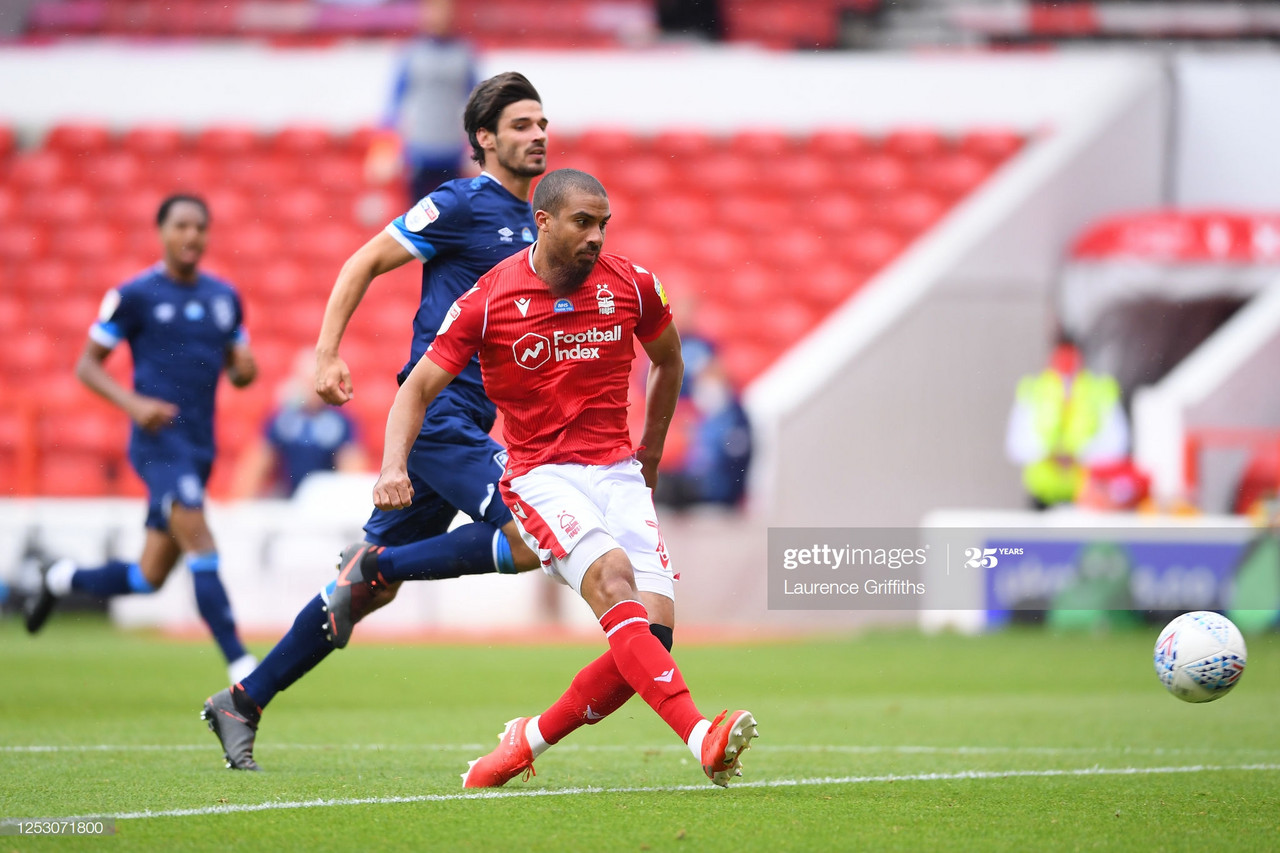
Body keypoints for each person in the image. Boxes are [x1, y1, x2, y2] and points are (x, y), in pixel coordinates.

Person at [201, 71, 549, 770]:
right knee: (532, 533)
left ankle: (244, 698)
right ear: (483, 139)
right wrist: (327, 353)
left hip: (469, 421)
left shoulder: (536, 223)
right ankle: (381, 561)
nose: (538, 135)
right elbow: (363, 261)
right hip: (435, 414)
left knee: (359, 595)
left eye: (542, 123)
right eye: (521, 125)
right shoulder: (457, 203)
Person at [375, 168, 758, 788]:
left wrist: (651, 455)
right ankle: (700, 735)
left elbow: (669, 360)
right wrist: (394, 466)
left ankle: (524, 741)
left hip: (618, 472)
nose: (596, 236)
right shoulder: (487, 298)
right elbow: (416, 388)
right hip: (539, 475)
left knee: (652, 637)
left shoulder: (632, 285)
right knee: (613, 579)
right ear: (544, 220)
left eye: (604, 223)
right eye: (583, 222)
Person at [23, 194, 260, 684]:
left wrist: (245, 370)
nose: (191, 236)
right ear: (162, 232)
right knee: (200, 539)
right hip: (156, 444)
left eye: (200, 227)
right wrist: (134, 405)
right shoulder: (135, 295)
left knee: (147, 577)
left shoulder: (224, 297)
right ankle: (243, 667)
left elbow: (240, 369)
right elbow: (87, 365)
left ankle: (57, 578)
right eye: (181, 226)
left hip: (199, 446)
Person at [364, 0, 478, 203]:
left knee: (451, 214)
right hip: (418, 148)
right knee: (417, 215)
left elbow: (478, 102)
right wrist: (384, 148)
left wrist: (478, 147)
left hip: (451, 149)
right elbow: (393, 103)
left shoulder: (465, 54)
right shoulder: (411, 53)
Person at [1005, 337, 1131, 509]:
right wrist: (1048, 454)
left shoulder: (1100, 390)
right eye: (1061, 357)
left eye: (1070, 357)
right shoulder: (1034, 390)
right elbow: (1016, 445)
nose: (1066, 364)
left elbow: (1117, 444)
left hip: (1089, 496)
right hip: (1043, 496)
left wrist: (1080, 455)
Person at [230, 348, 369, 499]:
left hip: (324, 500)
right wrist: (240, 503)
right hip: (288, 497)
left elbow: (352, 468)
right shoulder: (283, 418)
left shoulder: (341, 421)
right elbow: (258, 461)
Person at [653, 335, 752, 510]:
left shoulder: (735, 418)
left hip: (715, 492)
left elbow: (732, 468)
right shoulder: (707, 417)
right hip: (696, 484)